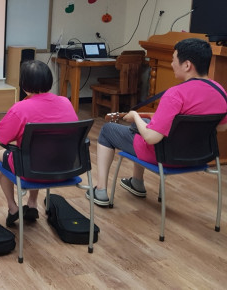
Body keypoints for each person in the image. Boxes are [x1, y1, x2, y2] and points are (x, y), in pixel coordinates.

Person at [88, 38, 227, 207]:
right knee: (144, 123)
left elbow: (151, 138)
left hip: (165, 156)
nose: (172, 64)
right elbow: (221, 127)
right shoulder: (220, 91)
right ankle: (136, 182)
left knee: (108, 130)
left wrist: (135, 116)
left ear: (187, 65)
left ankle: (101, 191)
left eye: (174, 59)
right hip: (199, 157)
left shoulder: (176, 94)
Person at [0, 60, 78, 227]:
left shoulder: (20, 108)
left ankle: (13, 208)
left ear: (23, 84)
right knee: (39, 153)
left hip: (32, 170)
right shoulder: (65, 102)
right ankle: (32, 203)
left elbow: (0, 139)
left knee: (2, 161)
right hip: (66, 168)